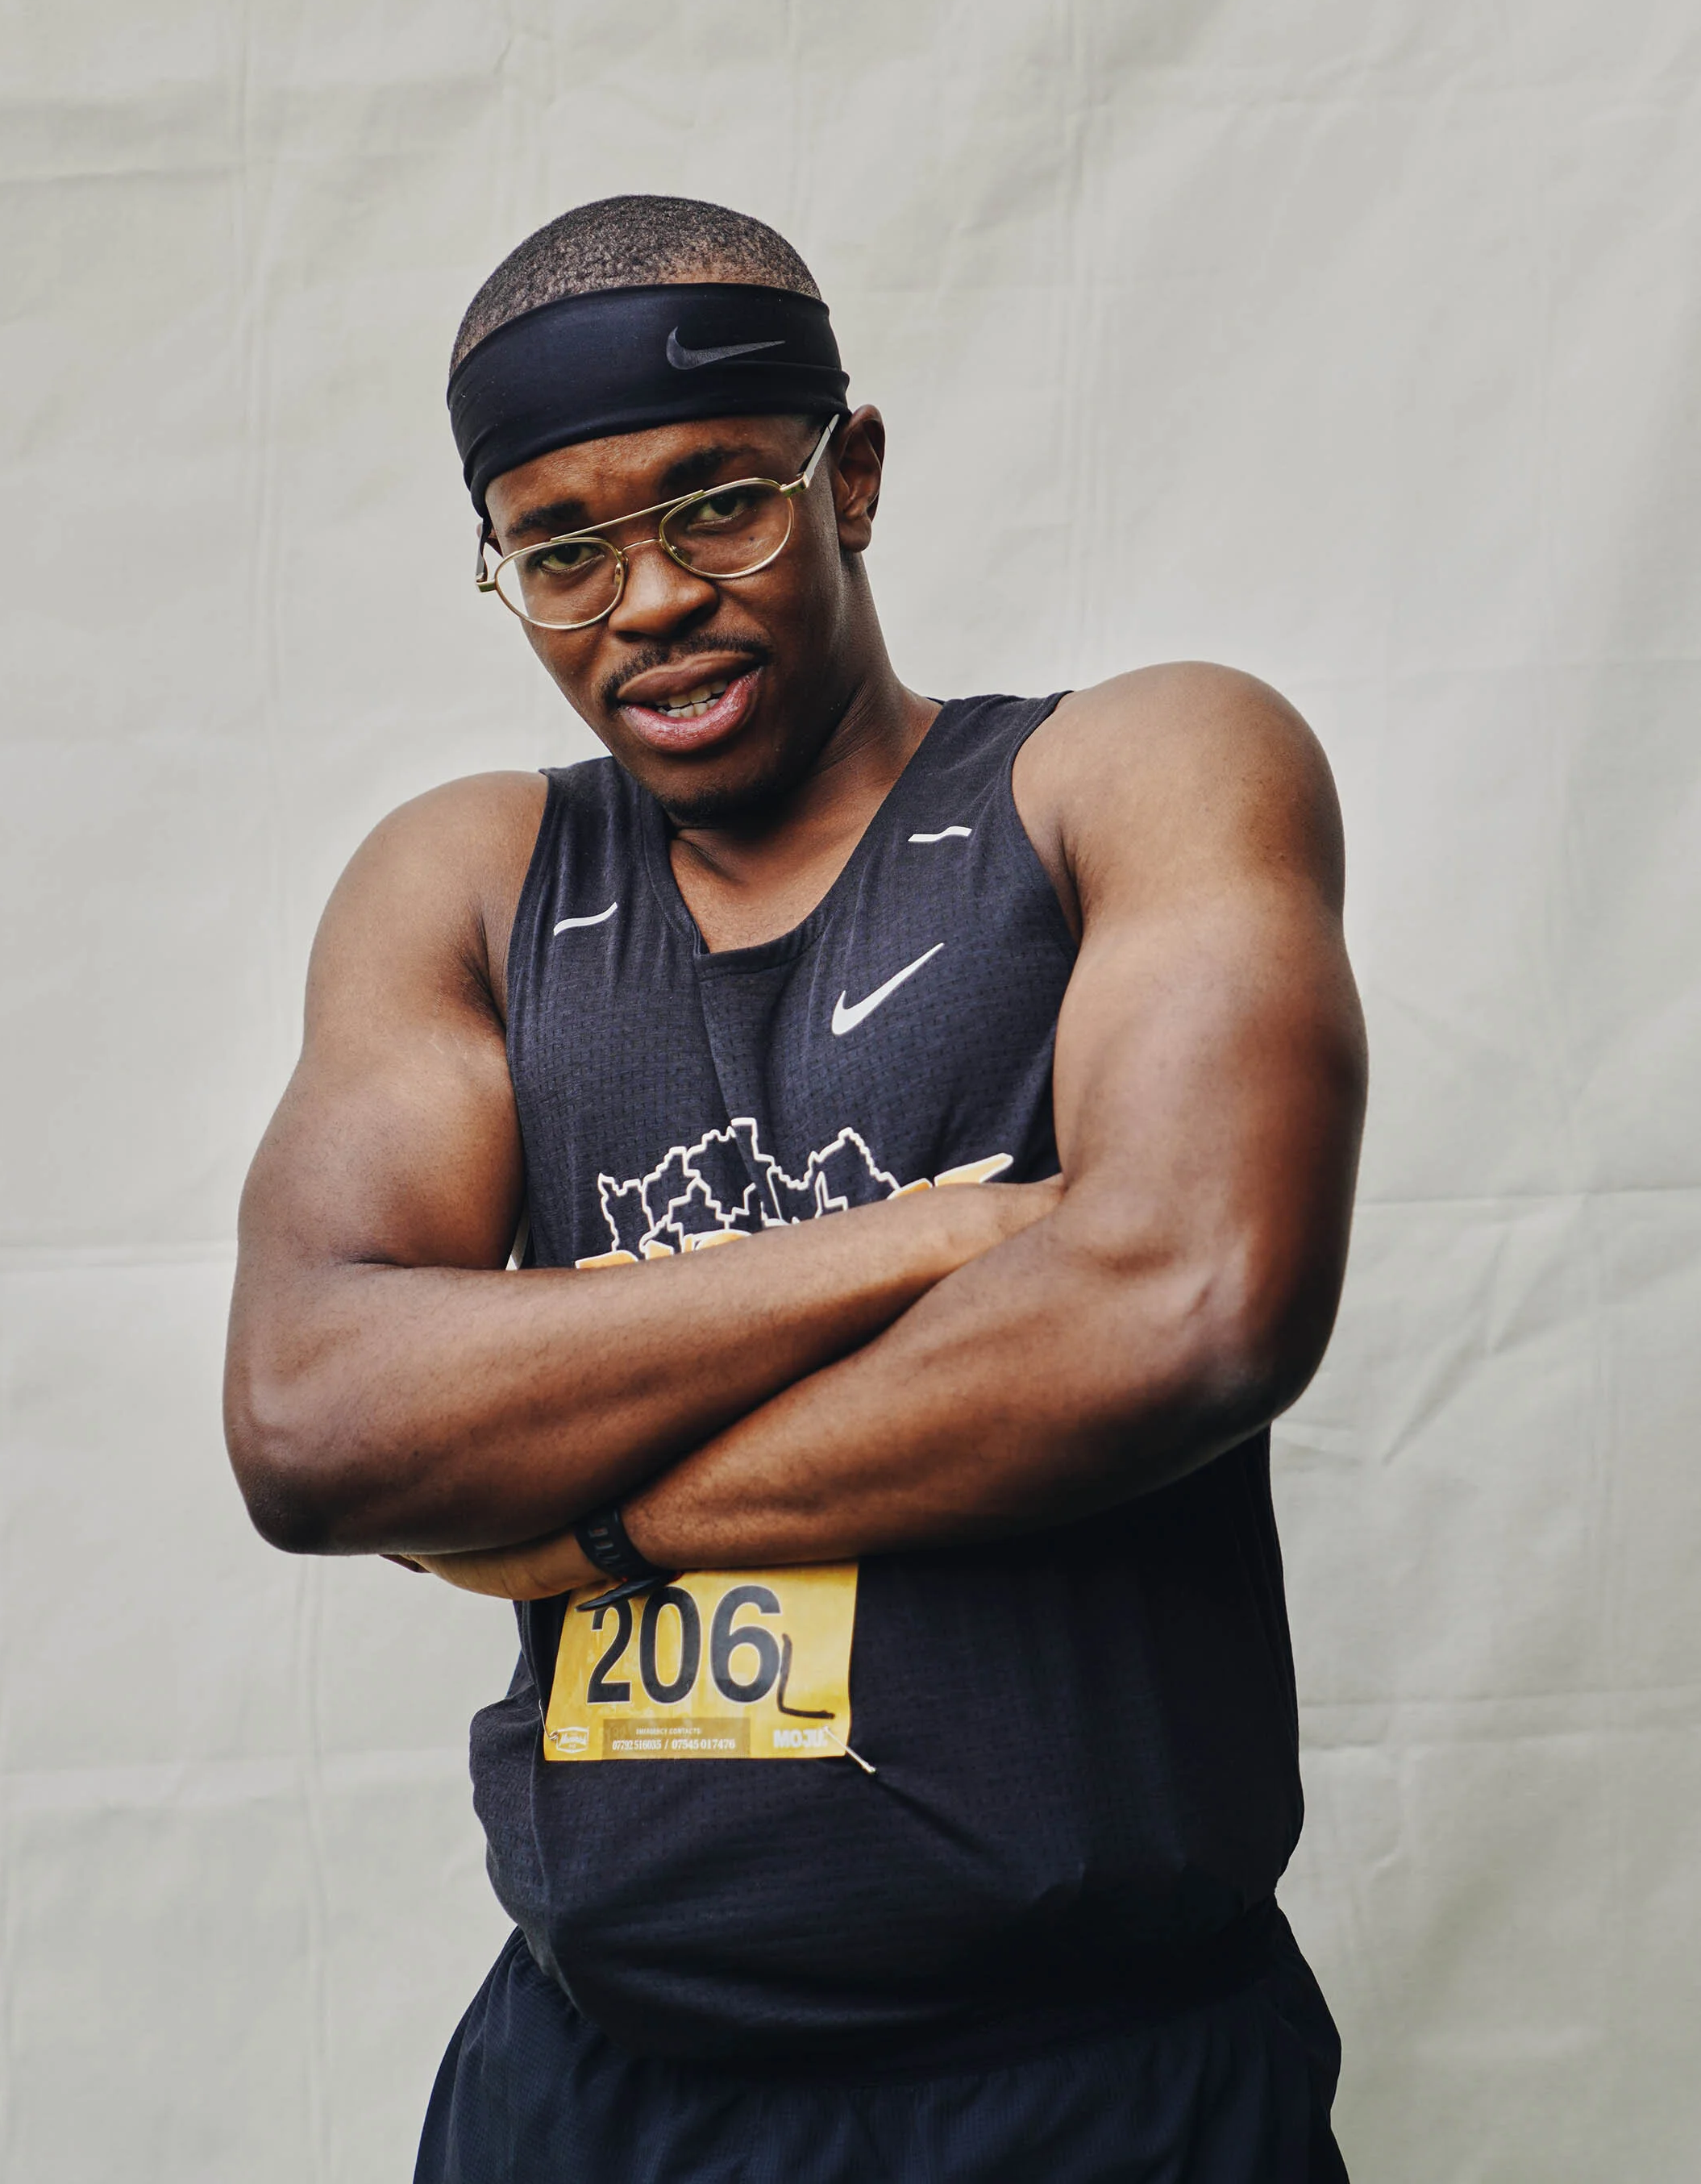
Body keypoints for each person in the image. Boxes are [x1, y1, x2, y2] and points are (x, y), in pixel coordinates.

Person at [224, 193, 1367, 2182]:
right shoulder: (477, 884)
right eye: (558, 549)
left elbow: (1192, 1301)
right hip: (593, 2094)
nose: (644, 598)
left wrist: (587, 1535)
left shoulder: (1133, 775)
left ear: (850, 476)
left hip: (1086, 2089)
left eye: (714, 505)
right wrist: (923, 1242)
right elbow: (315, 1417)